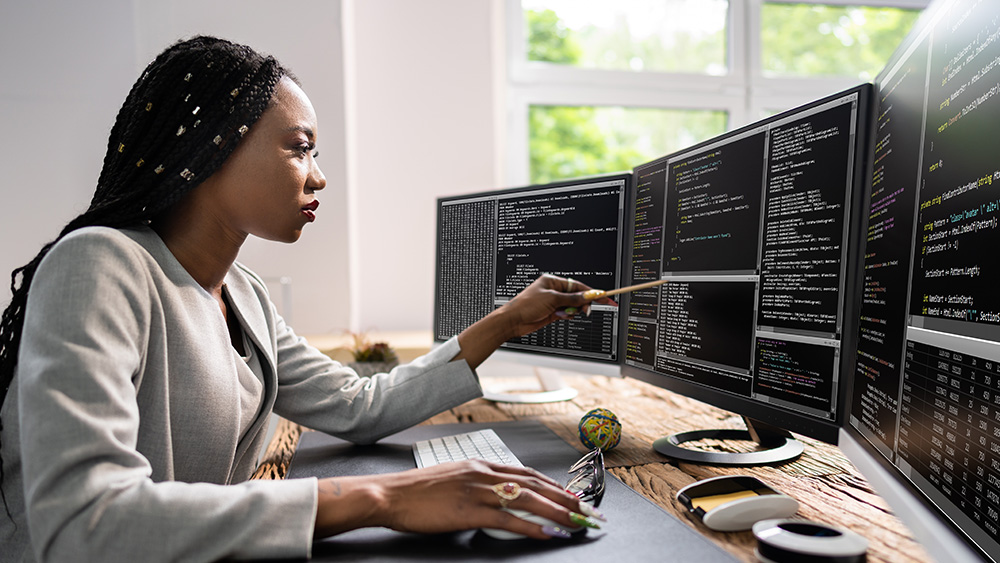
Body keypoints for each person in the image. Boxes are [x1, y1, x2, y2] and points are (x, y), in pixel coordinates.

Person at [0, 36, 609, 562]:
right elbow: (83, 525)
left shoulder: (244, 294)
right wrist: (383, 498)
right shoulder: (101, 263)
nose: (317, 176)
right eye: (300, 147)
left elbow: (358, 405)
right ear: (212, 147)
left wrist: (504, 323)